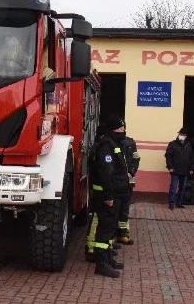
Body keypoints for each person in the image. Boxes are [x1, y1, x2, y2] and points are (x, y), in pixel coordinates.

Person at [84, 115, 127, 278]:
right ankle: (101, 265)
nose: (123, 132)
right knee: (104, 230)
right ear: (113, 130)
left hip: (114, 194)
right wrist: (109, 195)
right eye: (121, 130)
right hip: (107, 195)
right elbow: (106, 173)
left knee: (109, 230)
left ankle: (107, 259)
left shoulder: (113, 143)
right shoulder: (106, 146)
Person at [117, 132, 141, 245]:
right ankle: (115, 234)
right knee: (116, 209)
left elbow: (136, 158)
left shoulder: (131, 142)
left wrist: (131, 172)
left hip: (129, 181)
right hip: (117, 181)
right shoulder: (113, 142)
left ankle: (123, 234)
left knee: (125, 209)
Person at [165, 128, 194, 210]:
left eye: (184, 135)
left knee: (182, 188)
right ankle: (171, 203)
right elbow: (168, 156)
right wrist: (170, 167)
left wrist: (191, 168)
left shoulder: (188, 145)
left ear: (186, 136)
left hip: (185, 170)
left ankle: (179, 203)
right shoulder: (172, 144)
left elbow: (191, 158)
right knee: (173, 188)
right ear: (178, 135)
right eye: (181, 134)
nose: (182, 136)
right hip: (175, 170)